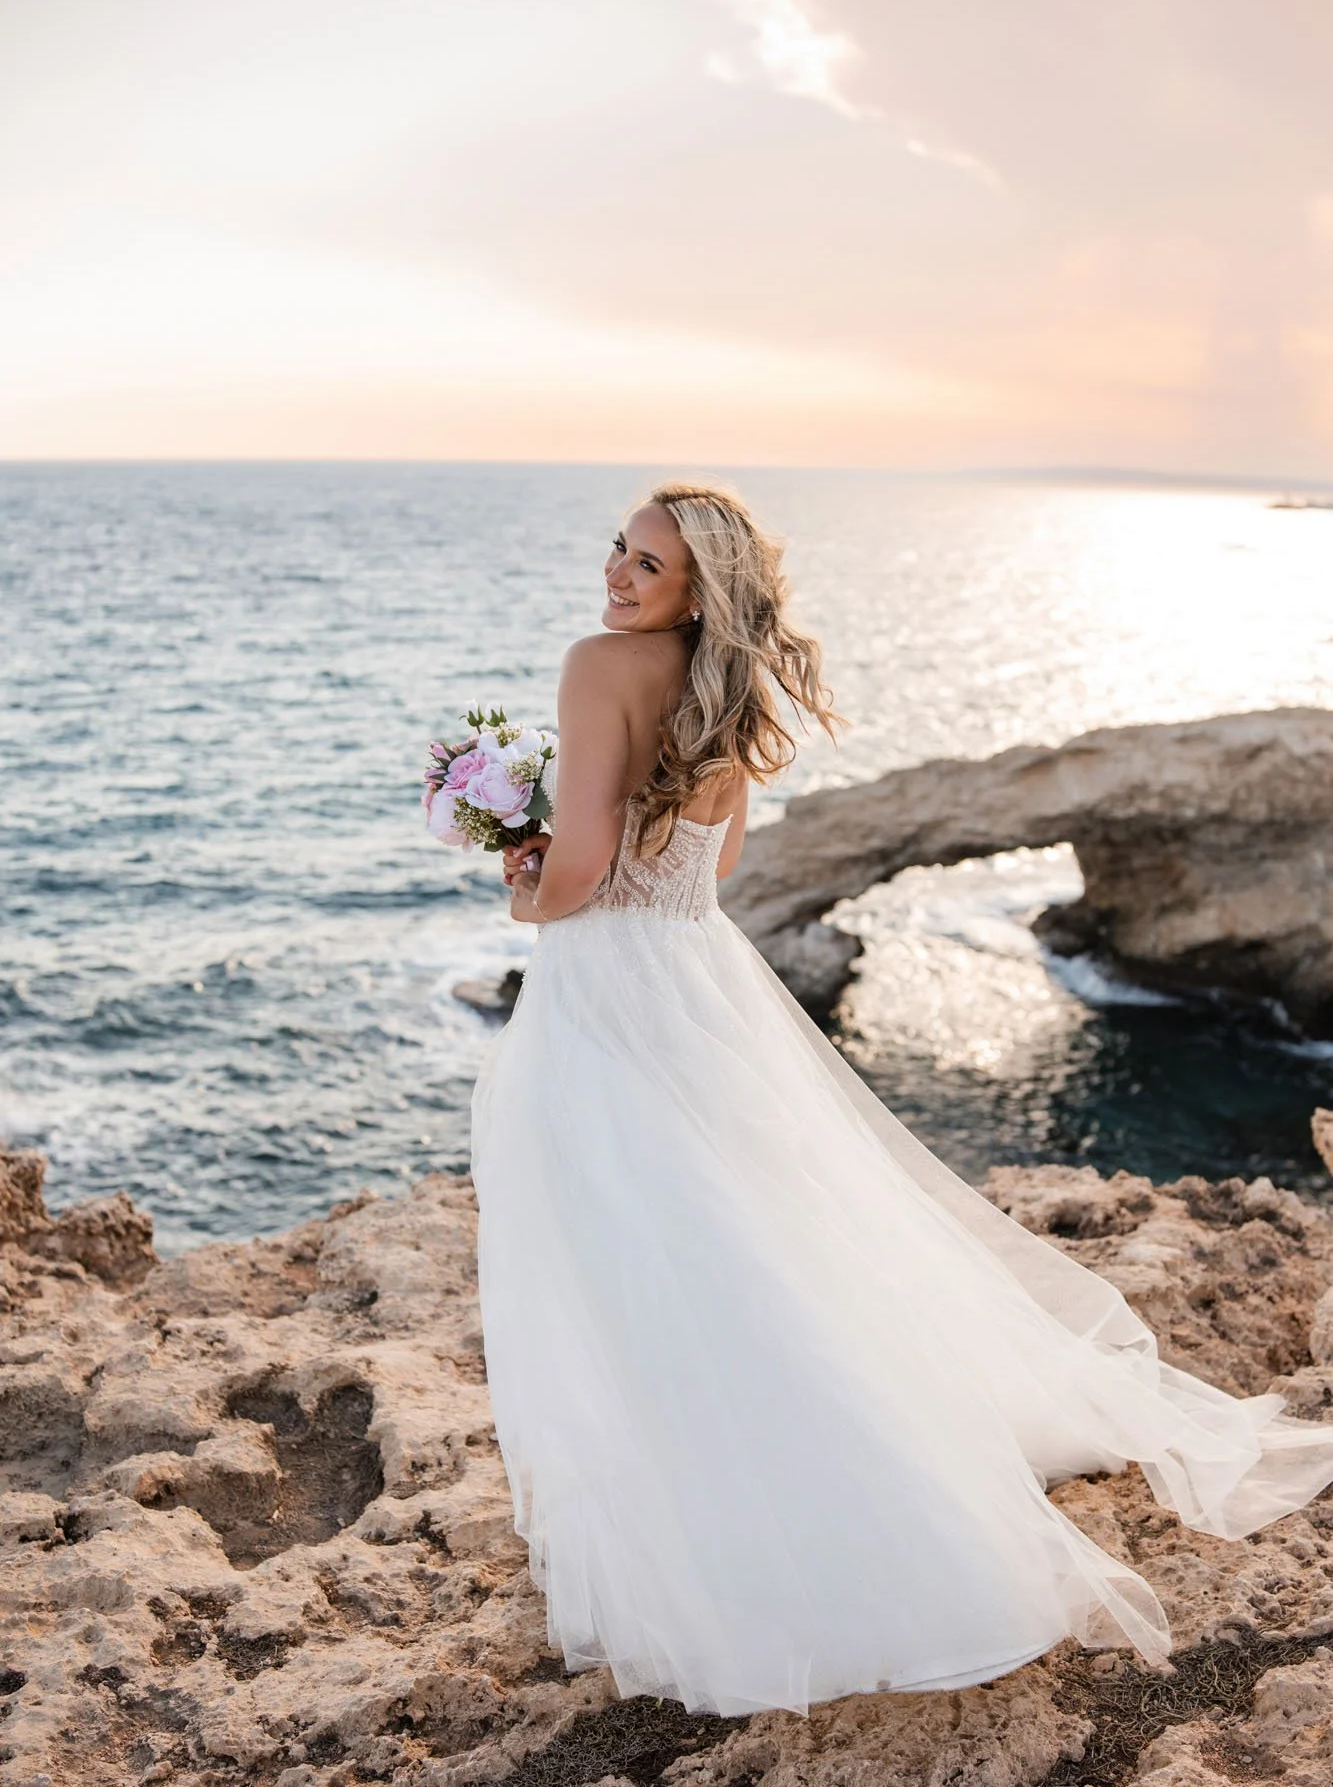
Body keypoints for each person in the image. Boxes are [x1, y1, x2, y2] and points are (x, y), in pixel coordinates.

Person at [469, 480, 1333, 1718]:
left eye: (647, 563)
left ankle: (744, 1531)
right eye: (618, 544)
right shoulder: (729, 687)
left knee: (645, 1258)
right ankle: (849, 1494)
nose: (617, 570)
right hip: (701, 982)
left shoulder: (596, 666)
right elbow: (720, 862)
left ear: (695, 589)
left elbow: (584, 870)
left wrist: (522, 882)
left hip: (611, 994)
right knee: (750, 1245)